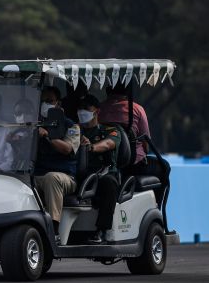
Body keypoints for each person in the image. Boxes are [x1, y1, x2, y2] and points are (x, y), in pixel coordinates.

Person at [34, 86, 81, 241]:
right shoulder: (34, 124)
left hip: (65, 177)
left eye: (49, 101)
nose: (45, 105)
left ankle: (53, 229)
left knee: (51, 178)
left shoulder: (71, 126)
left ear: (58, 104)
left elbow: (67, 149)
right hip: (37, 176)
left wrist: (48, 136)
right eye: (42, 101)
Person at [78, 95, 121, 244]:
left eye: (86, 109)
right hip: (80, 174)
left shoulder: (110, 130)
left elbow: (109, 144)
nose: (82, 112)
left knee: (109, 184)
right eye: (80, 108)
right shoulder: (74, 130)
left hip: (104, 174)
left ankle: (102, 230)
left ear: (96, 111)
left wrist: (91, 147)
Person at [98, 84, 150, 173]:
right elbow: (146, 141)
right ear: (127, 93)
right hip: (133, 161)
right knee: (164, 166)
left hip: (102, 159)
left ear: (108, 92)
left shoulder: (98, 109)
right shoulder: (138, 109)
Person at [7, 98, 37, 171]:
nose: (23, 117)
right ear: (14, 116)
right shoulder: (10, 135)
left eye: (27, 112)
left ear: (33, 114)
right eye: (19, 113)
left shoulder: (39, 133)